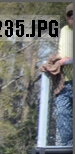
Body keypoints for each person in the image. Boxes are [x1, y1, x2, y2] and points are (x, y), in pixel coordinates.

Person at [40, 4, 73, 146]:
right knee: (62, 112)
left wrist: (67, 60)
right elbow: (63, 53)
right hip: (65, 81)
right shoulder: (64, 31)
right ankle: (68, 145)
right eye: (70, 15)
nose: (72, 18)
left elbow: (67, 58)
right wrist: (52, 61)